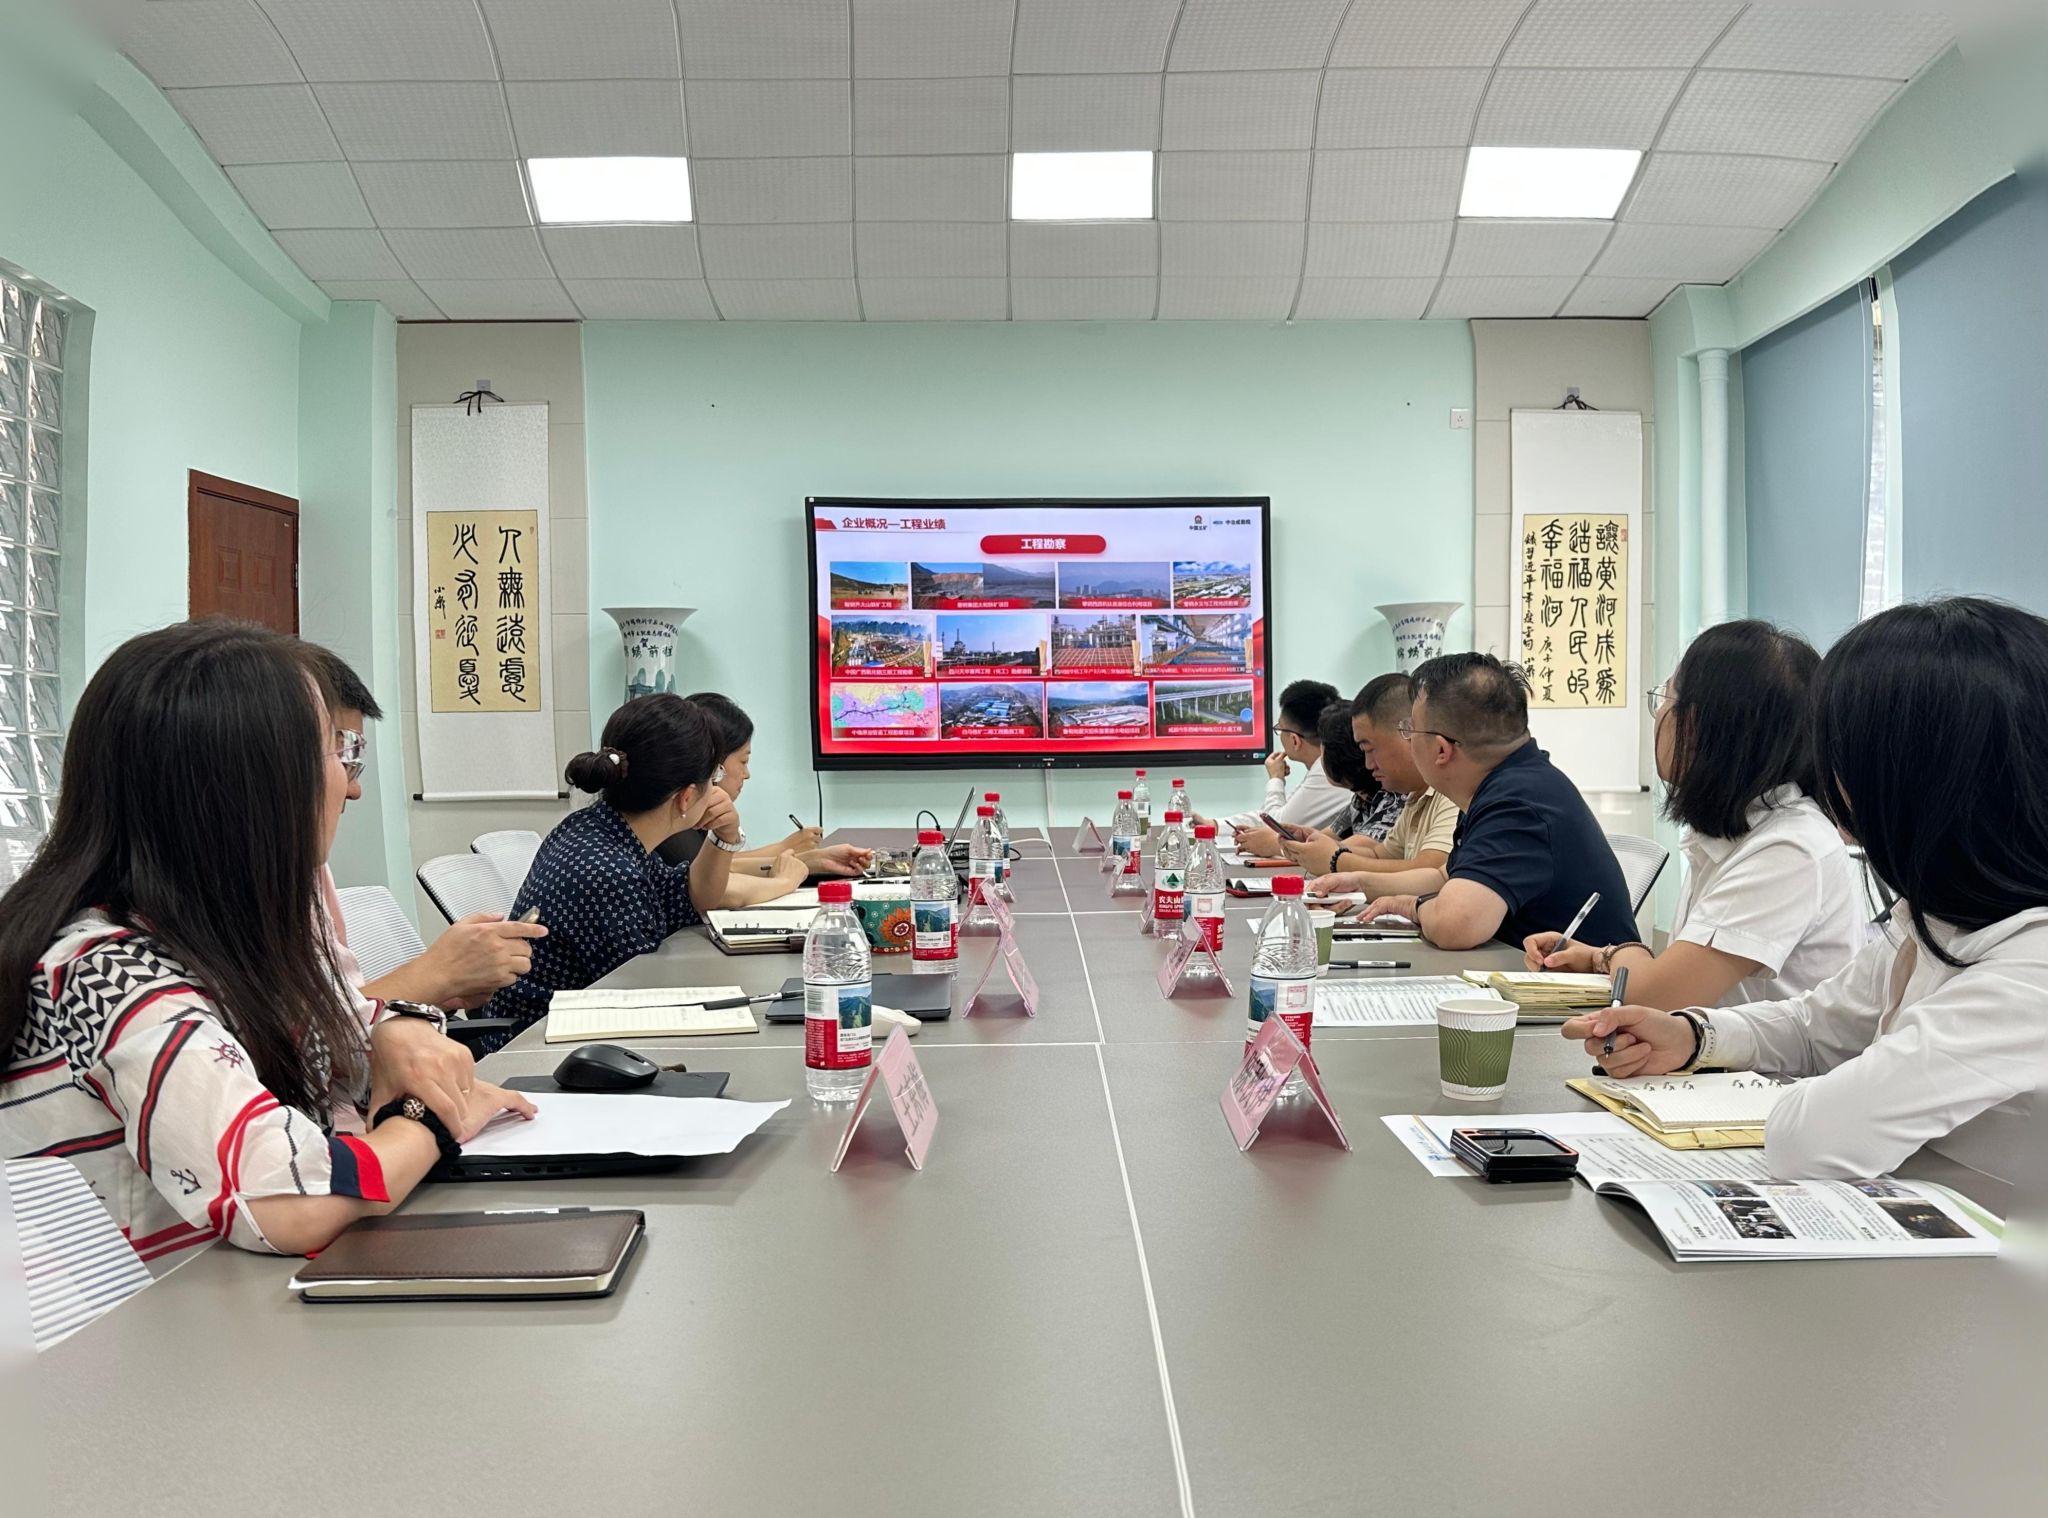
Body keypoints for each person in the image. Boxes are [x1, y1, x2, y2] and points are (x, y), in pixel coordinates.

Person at [0, 621, 533, 1269]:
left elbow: (342, 1030)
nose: (351, 784)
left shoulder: (245, 915)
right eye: (337, 751)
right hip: (155, 1312)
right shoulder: (109, 974)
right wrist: (432, 1117)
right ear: (251, 787)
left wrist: (395, 1032)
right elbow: (285, 1204)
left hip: (239, 1288)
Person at [1565, 598, 2048, 1183]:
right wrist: (1694, 1037)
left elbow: (1811, 1139)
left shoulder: (2030, 971)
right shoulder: (1939, 918)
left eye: (1843, 749)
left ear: (1919, 775)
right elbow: (1817, 1027)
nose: (1827, 772)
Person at [1523, 621, 1863, 1008]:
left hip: (1761, 1052)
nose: (1659, 715)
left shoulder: (1790, 848)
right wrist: (1598, 957)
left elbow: (1660, 995)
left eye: (1666, 698)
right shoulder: (1740, 828)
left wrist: (1618, 955)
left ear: (1701, 724)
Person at [479, 694, 739, 1048]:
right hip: (536, 1049)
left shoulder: (598, 828)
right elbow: (647, 1000)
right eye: (715, 776)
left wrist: (725, 836)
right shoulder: (608, 872)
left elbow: (687, 898)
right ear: (687, 797)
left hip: (559, 1038)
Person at [310, 648, 545, 1008]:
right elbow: (314, 1032)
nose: (353, 789)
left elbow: (339, 1011)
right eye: (343, 756)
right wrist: (437, 973)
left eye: (353, 759)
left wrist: (445, 985)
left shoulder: (310, 870)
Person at [1355, 652, 1635, 951]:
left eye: (1410, 730)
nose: (1409, 740)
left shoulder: (1518, 802)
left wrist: (1413, 907)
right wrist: (1359, 883)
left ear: (1441, 750)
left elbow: (1455, 925)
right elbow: (1443, 877)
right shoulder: (1500, 784)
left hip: (1578, 980)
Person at [654, 691, 871, 905]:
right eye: (743, 761)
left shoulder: (692, 818)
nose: (746, 774)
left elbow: (722, 871)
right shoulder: (671, 821)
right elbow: (713, 887)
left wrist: (813, 861)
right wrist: (786, 877)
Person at [1305, 672, 1460, 890]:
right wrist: (1325, 850)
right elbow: (1380, 854)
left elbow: (1430, 871)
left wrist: (1337, 860)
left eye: (1369, 749)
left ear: (1408, 733)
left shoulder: (1453, 793)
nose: (1368, 764)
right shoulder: (1417, 794)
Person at [1270, 702, 1407, 875]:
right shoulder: (1360, 798)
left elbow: (1340, 851)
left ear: (1338, 756)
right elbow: (1330, 837)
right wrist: (1304, 837)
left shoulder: (1393, 798)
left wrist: (1275, 843)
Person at [1230, 678, 1347, 853]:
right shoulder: (1322, 767)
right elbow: (1273, 816)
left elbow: (1276, 825)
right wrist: (1214, 825)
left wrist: (1276, 779)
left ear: (1294, 740)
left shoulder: (1326, 772)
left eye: (1279, 729)